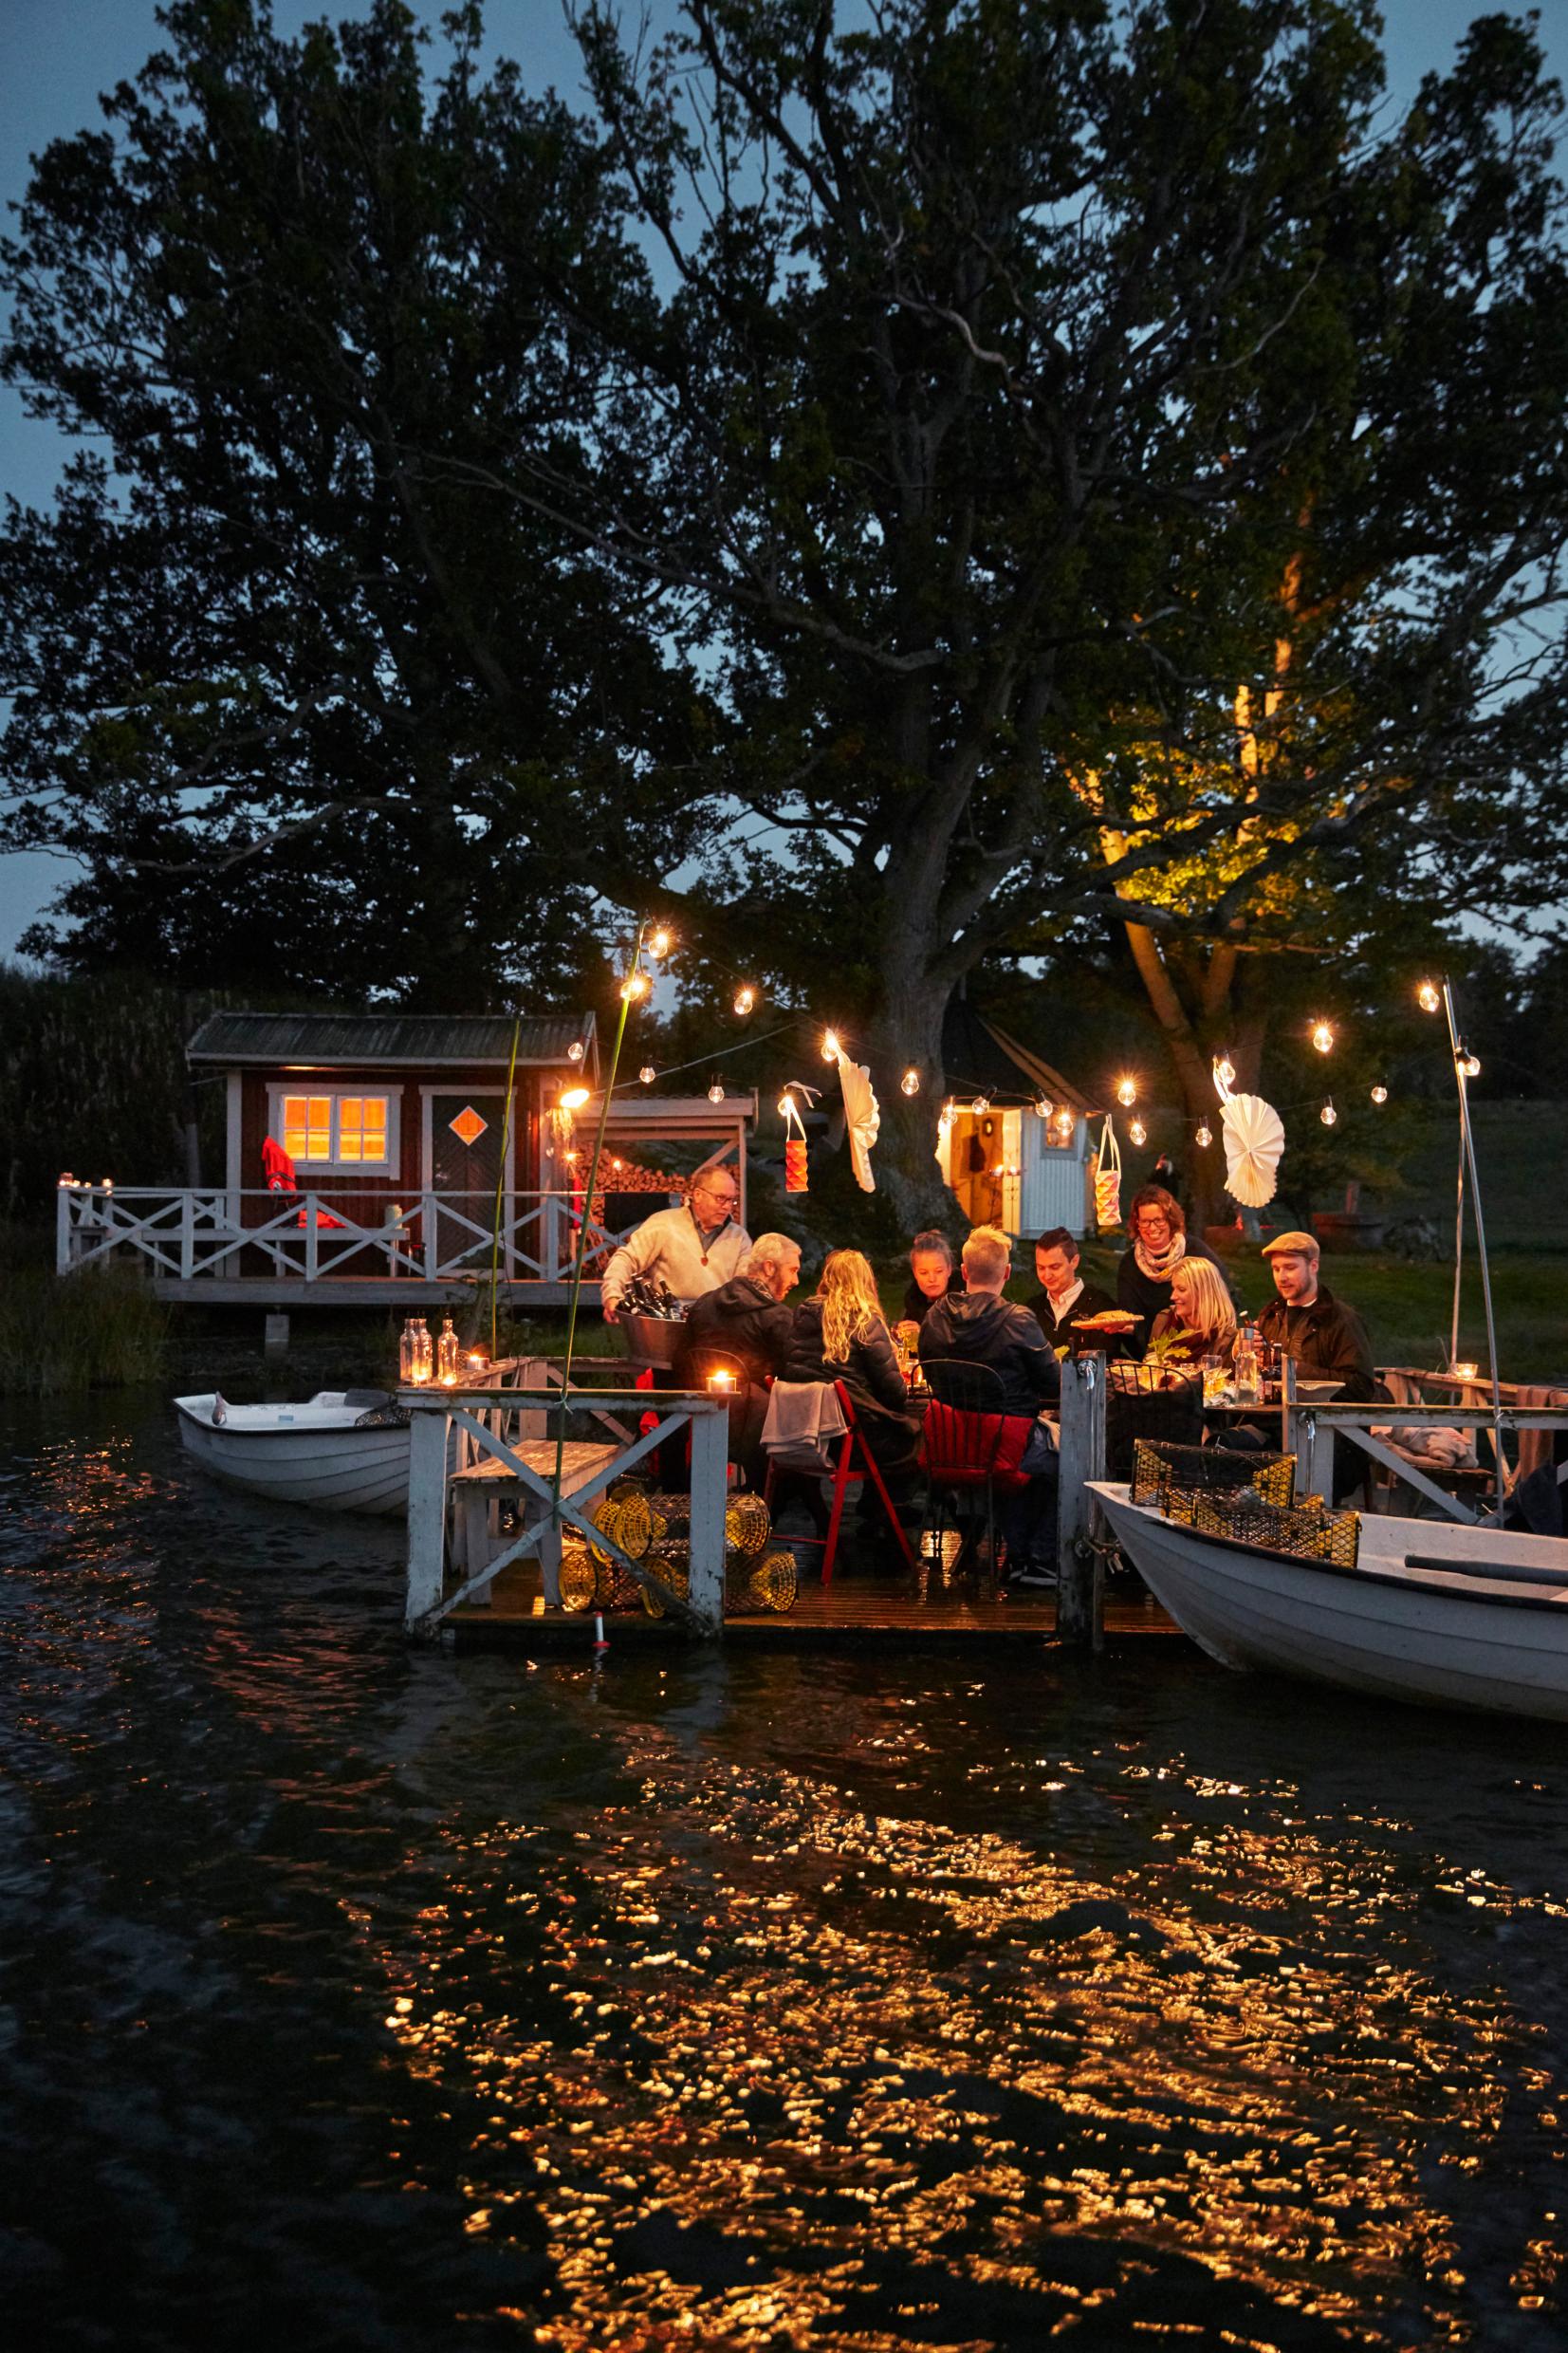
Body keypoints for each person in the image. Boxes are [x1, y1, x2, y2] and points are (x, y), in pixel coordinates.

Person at [918, 1224, 1060, 1583]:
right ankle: (1038, 1558)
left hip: (952, 1445)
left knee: (1028, 1457)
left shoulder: (934, 1317)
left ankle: (1016, 1551)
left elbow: (931, 1377)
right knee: (1069, 1453)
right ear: (1007, 1273)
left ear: (963, 1272)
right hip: (1006, 1447)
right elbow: (1055, 1382)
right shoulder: (1019, 1320)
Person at [782, 1248, 922, 1515]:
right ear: (865, 1282)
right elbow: (894, 1393)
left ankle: (876, 1508)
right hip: (852, 1440)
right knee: (916, 1434)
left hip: (804, 1434)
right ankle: (889, 1507)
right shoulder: (864, 1321)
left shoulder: (802, 1317)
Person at [678, 1232, 801, 1480]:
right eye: (792, 1270)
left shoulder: (704, 1304)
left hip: (702, 1415)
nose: (796, 1280)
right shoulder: (777, 1316)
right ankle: (775, 1510)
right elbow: (793, 1372)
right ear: (769, 1268)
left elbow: (680, 1361)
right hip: (758, 1431)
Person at [600, 1165, 750, 1319]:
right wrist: (612, 1294)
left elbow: (745, 1285)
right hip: (668, 1319)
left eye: (731, 1200)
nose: (727, 1207)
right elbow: (626, 1259)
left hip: (717, 1321)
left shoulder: (739, 1237)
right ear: (698, 1195)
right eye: (720, 1198)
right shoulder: (664, 1224)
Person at [1256, 1232, 1375, 1397]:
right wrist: (1240, 1356)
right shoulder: (1269, 1316)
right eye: (1276, 1269)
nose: (1281, 1277)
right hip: (1270, 1417)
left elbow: (1361, 1387)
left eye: (1290, 1268)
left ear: (1313, 1266)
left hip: (1322, 1420)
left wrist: (1295, 1370)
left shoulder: (1341, 1319)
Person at [1116, 1185, 1227, 1359]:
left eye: (1158, 1220)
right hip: (1151, 1351)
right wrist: (1132, 1329)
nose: (1152, 1228)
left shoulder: (1196, 1252)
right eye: (1145, 1221)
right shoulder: (1129, 1264)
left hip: (1203, 1349)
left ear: (1170, 1220)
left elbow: (1223, 1300)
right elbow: (1129, 1314)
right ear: (1136, 1224)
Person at [1024, 1226, 1119, 1345]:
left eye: (1055, 1267)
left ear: (1074, 1262)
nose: (1047, 1276)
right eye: (1041, 1268)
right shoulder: (1032, 1308)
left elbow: (1108, 1357)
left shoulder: (1101, 1306)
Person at [1148, 1254, 1238, 1359]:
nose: (1173, 1296)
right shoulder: (1163, 1321)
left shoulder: (1227, 1339)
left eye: (1181, 1289)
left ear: (1204, 1293)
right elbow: (1147, 1370)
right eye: (1174, 1289)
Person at [896, 1230, 965, 1334]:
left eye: (938, 1271)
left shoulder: (965, 1305)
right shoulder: (912, 1304)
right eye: (923, 1273)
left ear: (949, 1270)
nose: (932, 1279)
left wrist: (924, 1333)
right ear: (914, 1273)